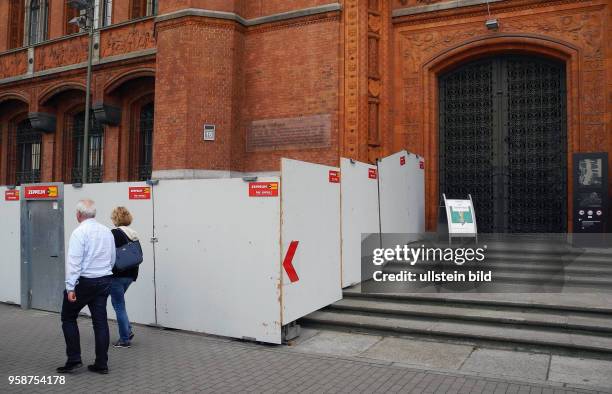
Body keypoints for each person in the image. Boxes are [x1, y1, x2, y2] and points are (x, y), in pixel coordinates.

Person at [58, 199, 116, 375]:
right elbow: (112, 258)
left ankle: (74, 359)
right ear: (94, 214)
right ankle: (101, 364)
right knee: (100, 322)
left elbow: (74, 262)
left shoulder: (79, 232)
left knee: (68, 317)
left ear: (78, 214)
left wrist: (70, 288)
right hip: (104, 280)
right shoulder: (107, 231)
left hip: (84, 282)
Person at [109, 207, 140, 348]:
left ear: (116, 218)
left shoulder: (113, 233)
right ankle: (128, 330)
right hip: (131, 274)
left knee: (118, 305)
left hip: (117, 275)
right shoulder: (133, 234)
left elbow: (108, 254)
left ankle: (124, 339)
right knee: (119, 304)